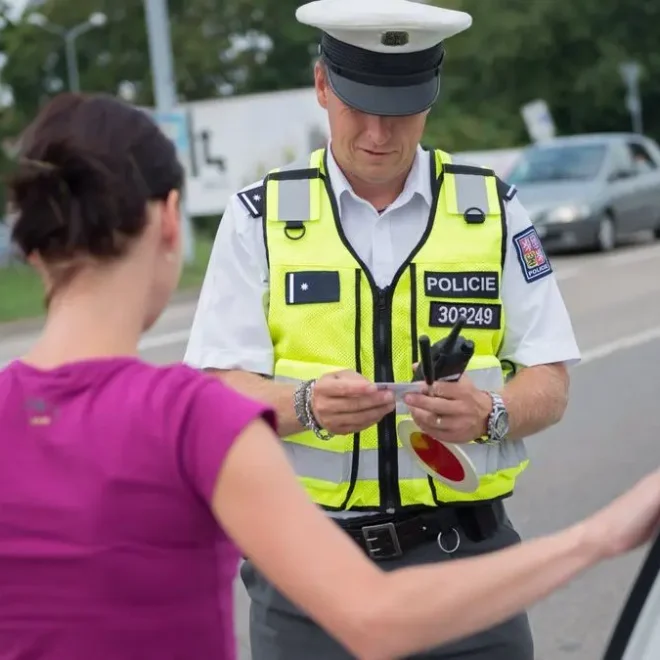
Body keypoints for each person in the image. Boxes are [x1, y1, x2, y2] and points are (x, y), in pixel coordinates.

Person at [1, 93, 658, 660]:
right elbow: (374, 617)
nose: (378, 131)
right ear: (170, 221)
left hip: (458, 531)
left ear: (29, 242)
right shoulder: (188, 420)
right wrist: (596, 537)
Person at [183, 0, 584, 658]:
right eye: (357, 107)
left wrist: (493, 412)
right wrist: (305, 405)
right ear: (321, 86)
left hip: (469, 570)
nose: (377, 132)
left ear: (430, 97)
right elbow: (217, 393)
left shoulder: (491, 209)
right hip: (309, 577)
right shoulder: (258, 218)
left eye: (399, 111)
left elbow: (552, 380)